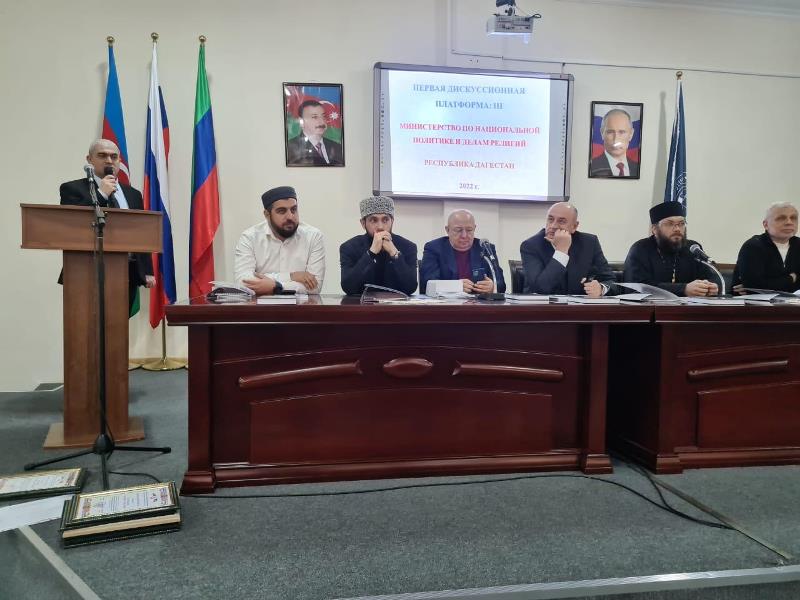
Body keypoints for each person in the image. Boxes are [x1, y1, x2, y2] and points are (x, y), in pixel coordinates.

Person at [59, 139, 155, 307]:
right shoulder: (72, 189)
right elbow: (72, 224)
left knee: (119, 322)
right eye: (102, 155)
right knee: (87, 322)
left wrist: (147, 270)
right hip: (85, 272)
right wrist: (101, 194)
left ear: (119, 161)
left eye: (114, 157)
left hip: (127, 272)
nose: (109, 161)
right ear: (89, 159)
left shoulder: (133, 194)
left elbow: (140, 231)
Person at [234, 186, 325, 295]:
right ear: (267, 215)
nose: (290, 216)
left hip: (301, 306)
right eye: (282, 211)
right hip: (260, 306)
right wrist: (291, 276)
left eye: (294, 209)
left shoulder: (313, 236)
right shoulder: (250, 237)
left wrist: (276, 286)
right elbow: (243, 282)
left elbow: (315, 287)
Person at [520, 202, 616, 297]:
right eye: (550, 219)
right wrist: (561, 252)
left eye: (561, 221)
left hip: (580, 306)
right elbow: (541, 289)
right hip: (542, 306)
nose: (553, 226)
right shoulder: (531, 246)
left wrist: (601, 288)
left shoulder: (589, 243)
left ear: (574, 226)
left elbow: (611, 281)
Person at [623, 201, 718, 297]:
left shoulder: (692, 248)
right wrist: (683, 289)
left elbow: (710, 277)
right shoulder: (640, 249)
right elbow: (636, 287)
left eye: (681, 223)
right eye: (669, 224)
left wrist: (711, 287)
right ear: (654, 229)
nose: (677, 229)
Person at [340, 195, 417, 295]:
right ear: (363, 223)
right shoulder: (349, 247)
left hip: (397, 304)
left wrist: (394, 254)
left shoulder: (408, 247)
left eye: (385, 220)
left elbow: (411, 287)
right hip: (361, 304)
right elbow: (348, 287)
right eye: (374, 220)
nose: (380, 226)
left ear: (392, 221)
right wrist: (371, 254)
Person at [419, 209, 505, 295]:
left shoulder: (485, 248)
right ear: (447, 230)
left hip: (479, 302)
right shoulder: (434, 248)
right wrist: (456, 286)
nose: (464, 235)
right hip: (447, 302)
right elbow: (426, 283)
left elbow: (501, 284)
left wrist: (493, 287)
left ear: (474, 228)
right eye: (458, 230)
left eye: (469, 230)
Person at [733, 202, 800, 292]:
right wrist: (791, 278)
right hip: (750, 300)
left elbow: (758, 287)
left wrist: (767, 286)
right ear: (766, 225)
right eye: (781, 218)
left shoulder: (798, 245)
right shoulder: (753, 246)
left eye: (793, 218)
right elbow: (754, 286)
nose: (789, 222)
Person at [286, 100, 343, 166]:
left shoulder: (337, 147)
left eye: (323, 116)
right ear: (301, 122)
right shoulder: (290, 148)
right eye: (315, 117)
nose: (322, 121)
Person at [590, 109, 640, 178]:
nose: (616, 140)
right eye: (610, 132)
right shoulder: (592, 167)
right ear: (602, 133)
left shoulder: (638, 168)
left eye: (622, 132)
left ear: (631, 134)